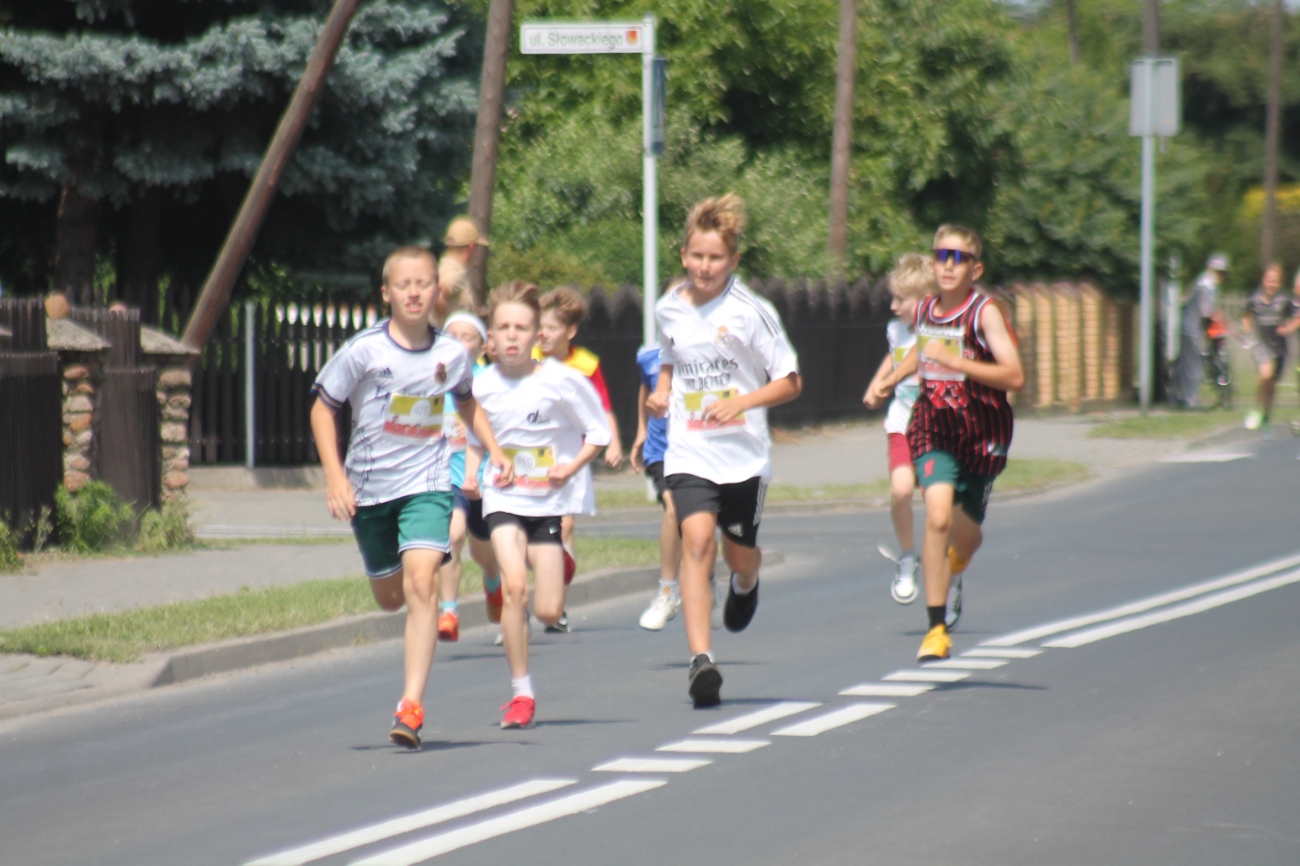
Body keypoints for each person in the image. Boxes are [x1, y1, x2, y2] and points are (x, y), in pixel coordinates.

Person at [309, 246, 511, 748]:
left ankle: (411, 706)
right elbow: (321, 407)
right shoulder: (364, 350)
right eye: (404, 284)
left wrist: (496, 451)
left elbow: (467, 402)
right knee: (390, 598)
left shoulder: (451, 354)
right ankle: (394, 586)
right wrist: (335, 477)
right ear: (387, 293)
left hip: (427, 484)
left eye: (424, 283)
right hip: (370, 489)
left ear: (436, 292)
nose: (415, 292)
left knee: (423, 584)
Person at [646, 193, 802, 708]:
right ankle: (700, 661)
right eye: (696, 256)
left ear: (733, 260)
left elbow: (790, 382)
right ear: (684, 255)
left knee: (739, 554)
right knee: (695, 542)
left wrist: (744, 402)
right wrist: (663, 391)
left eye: (715, 258)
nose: (704, 266)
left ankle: (747, 580)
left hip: (743, 457)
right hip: (690, 452)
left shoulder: (752, 313)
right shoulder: (667, 307)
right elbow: (670, 354)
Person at [867, 225, 1023, 661]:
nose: (948, 266)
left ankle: (955, 567)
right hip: (932, 427)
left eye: (959, 259)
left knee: (966, 538)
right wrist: (890, 380)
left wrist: (959, 362)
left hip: (979, 434)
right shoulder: (926, 311)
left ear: (976, 268)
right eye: (941, 257)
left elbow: (1014, 375)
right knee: (936, 517)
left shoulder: (984, 313)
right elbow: (921, 350)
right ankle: (935, 629)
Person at [473, 280, 612, 729]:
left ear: (538, 336)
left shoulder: (562, 382)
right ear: (490, 337)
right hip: (503, 497)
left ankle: (562, 565)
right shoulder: (480, 387)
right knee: (516, 587)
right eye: (503, 327)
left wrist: (569, 470)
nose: (512, 336)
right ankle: (521, 694)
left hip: (548, 500)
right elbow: (469, 438)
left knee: (549, 611)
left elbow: (599, 434)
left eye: (522, 327)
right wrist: (477, 471)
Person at [534, 286, 624, 632]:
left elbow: (603, 409)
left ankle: (557, 604)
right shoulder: (526, 359)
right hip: (533, 453)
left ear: (569, 332)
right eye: (539, 326)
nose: (542, 334)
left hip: (572, 453)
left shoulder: (585, 365)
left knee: (565, 525)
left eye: (551, 328)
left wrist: (613, 442)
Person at [862, 254, 935, 605]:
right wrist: (876, 384)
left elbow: (918, 355)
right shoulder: (896, 329)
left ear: (925, 299)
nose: (893, 305)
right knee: (901, 490)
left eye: (901, 300)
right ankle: (908, 557)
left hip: (939, 427)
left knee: (940, 505)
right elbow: (895, 356)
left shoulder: (941, 329)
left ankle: (945, 569)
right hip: (902, 423)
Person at [434, 311, 499, 641]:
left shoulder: (489, 381)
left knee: (485, 552)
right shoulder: (431, 380)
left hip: (486, 480)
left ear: (484, 345)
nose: (459, 342)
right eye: (452, 335)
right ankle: (449, 611)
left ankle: (493, 583)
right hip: (447, 479)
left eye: (467, 336)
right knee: (453, 535)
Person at [632, 293, 688, 630]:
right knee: (674, 510)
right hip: (661, 451)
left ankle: (704, 578)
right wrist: (641, 431)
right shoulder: (649, 355)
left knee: (698, 522)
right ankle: (667, 592)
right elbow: (645, 389)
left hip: (701, 449)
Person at [1242, 263, 1300, 437]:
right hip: (1261, 344)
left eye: (1275, 281)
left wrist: (1288, 328)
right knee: (1265, 375)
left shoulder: (1284, 300)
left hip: (1279, 347)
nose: (1272, 284)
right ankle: (1257, 408)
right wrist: (1246, 330)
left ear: (1280, 283)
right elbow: (1246, 316)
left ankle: (1266, 416)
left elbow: (1298, 317)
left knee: (1271, 384)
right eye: (1269, 281)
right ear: (1263, 281)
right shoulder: (1255, 299)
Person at [1173, 253, 1228, 408]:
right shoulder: (1206, 285)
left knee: (1189, 364)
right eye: (1219, 271)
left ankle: (1182, 396)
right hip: (1191, 328)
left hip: (1192, 326)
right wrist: (1216, 330)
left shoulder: (1205, 282)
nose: (1221, 275)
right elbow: (1206, 312)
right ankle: (1190, 399)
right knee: (1193, 365)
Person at [434, 217, 486, 327]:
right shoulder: (455, 272)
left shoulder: (441, 267)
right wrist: (444, 323)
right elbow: (436, 293)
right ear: (471, 247)